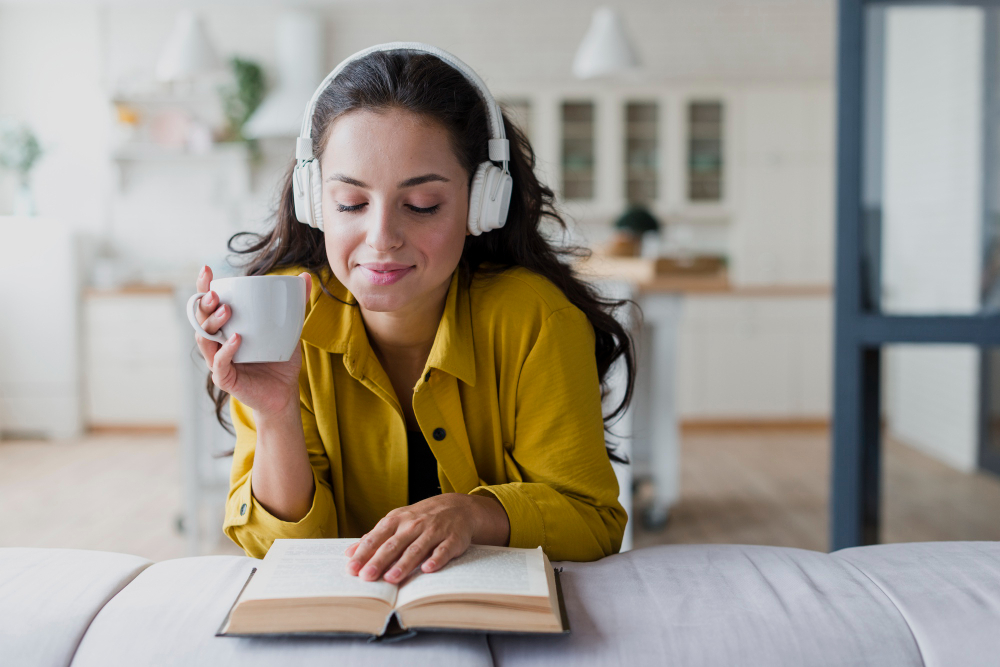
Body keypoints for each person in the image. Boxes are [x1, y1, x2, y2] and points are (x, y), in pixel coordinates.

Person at [192, 43, 636, 584]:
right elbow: (278, 553)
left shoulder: (534, 319)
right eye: (351, 204)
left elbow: (592, 525)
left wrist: (474, 514)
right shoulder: (283, 314)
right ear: (315, 203)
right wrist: (275, 412)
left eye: (422, 205)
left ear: (481, 203)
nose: (381, 238)